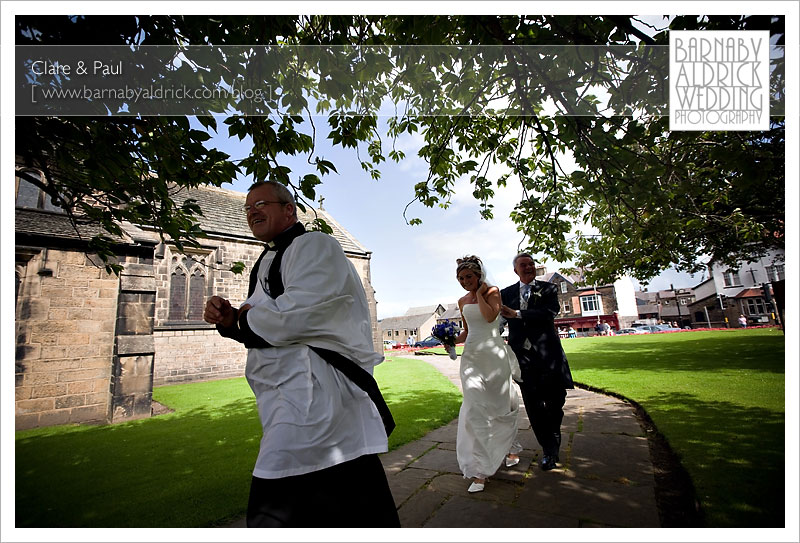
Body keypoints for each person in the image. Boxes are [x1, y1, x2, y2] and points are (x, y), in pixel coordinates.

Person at [203, 180, 399, 527]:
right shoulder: (266, 260)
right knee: (349, 495)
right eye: (247, 208)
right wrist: (230, 319)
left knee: (275, 500)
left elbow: (296, 316)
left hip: (316, 391)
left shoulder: (316, 245)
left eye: (261, 204)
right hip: (287, 394)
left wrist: (243, 318)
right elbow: (266, 322)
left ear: (289, 210)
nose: (252, 212)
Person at [453, 255, 522, 493]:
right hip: (471, 356)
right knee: (474, 407)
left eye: (468, 277)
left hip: (494, 355)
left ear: (478, 275)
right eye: (460, 278)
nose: (464, 282)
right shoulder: (461, 301)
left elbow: (490, 317)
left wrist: (480, 292)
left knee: (499, 404)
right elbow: (466, 331)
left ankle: (510, 446)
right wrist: (450, 339)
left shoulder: (492, 291)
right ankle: (480, 471)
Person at [500, 253, 574, 471]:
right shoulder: (506, 293)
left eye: (531, 264)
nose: (529, 267)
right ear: (516, 270)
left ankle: (554, 434)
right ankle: (549, 449)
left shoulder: (548, 288)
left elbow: (549, 312)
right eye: (524, 265)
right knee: (533, 406)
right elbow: (500, 321)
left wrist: (518, 314)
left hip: (548, 354)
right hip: (522, 358)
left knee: (556, 401)